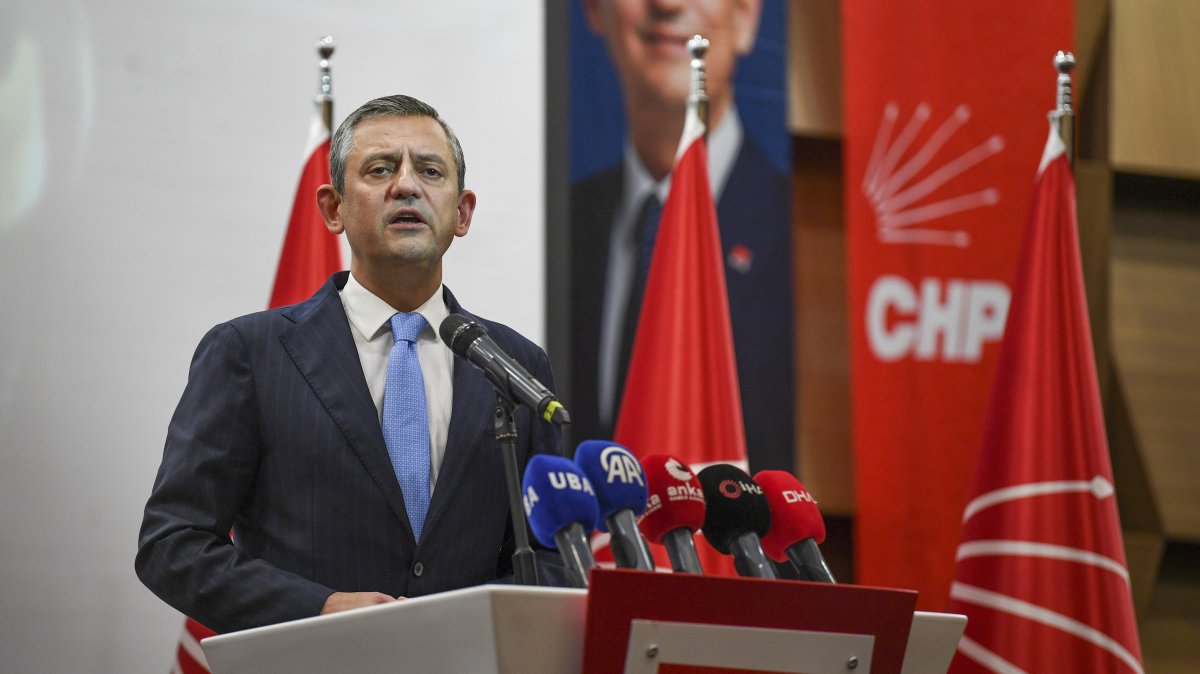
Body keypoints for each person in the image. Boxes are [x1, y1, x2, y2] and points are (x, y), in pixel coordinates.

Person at [136, 95, 563, 634]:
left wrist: (475, 624)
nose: (406, 186)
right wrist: (317, 609)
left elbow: (553, 554)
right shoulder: (249, 353)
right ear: (333, 208)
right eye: (380, 169)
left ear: (462, 213)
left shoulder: (515, 364)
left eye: (430, 171)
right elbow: (171, 545)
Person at [570, 0, 795, 471]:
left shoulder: (804, 237)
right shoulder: (561, 232)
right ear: (594, 9)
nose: (668, 4)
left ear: (748, 16)